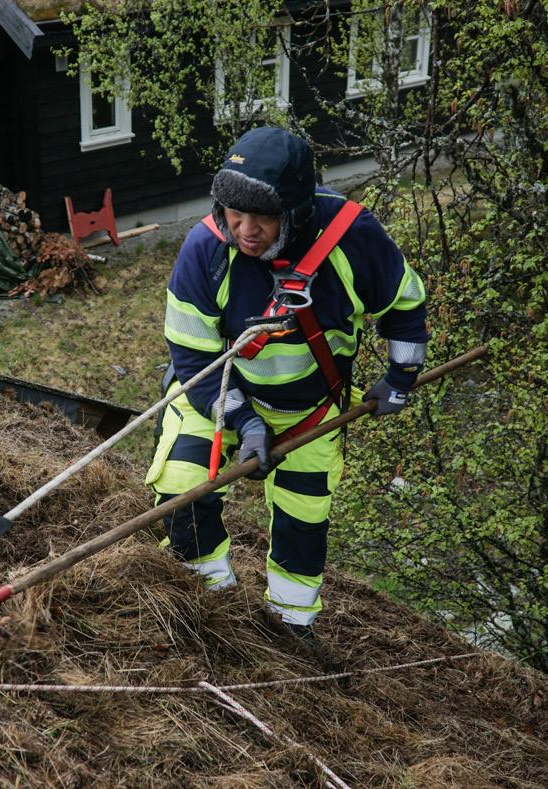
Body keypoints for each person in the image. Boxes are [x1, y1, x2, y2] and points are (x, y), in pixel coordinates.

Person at [145, 127, 429, 638]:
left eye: (263, 217)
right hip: (216, 393)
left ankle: (290, 625)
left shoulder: (354, 238)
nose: (245, 229)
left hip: (310, 412)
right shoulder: (204, 250)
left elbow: (404, 305)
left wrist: (401, 376)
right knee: (183, 487)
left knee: (303, 517)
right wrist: (244, 422)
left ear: (296, 212)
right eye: (234, 214)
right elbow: (191, 357)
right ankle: (208, 598)